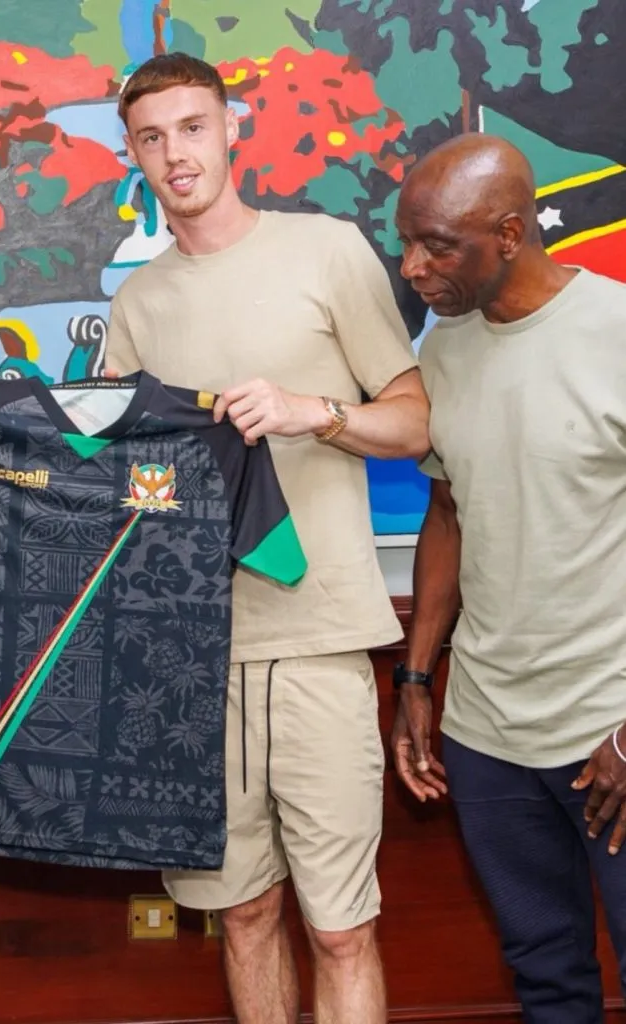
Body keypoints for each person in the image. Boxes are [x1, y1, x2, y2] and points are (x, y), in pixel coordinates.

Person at [106, 52, 430, 1024]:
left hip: (320, 642)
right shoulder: (136, 305)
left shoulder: (325, 251)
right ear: (131, 154)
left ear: (230, 126)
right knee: (242, 916)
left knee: (340, 927)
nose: (175, 154)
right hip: (187, 663)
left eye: (191, 127)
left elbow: (413, 420)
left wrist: (311, 411)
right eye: (151, 137)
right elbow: (118, 483)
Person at [392, 132, 626, 1023]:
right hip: (487, 731)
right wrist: (417, 676)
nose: (414, 267)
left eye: (438, 245)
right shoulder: (444, 351)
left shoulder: (610, 332)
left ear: (513, 232)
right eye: (406, 240)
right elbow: (448, 513)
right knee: (543, 974)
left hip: (607, 727)